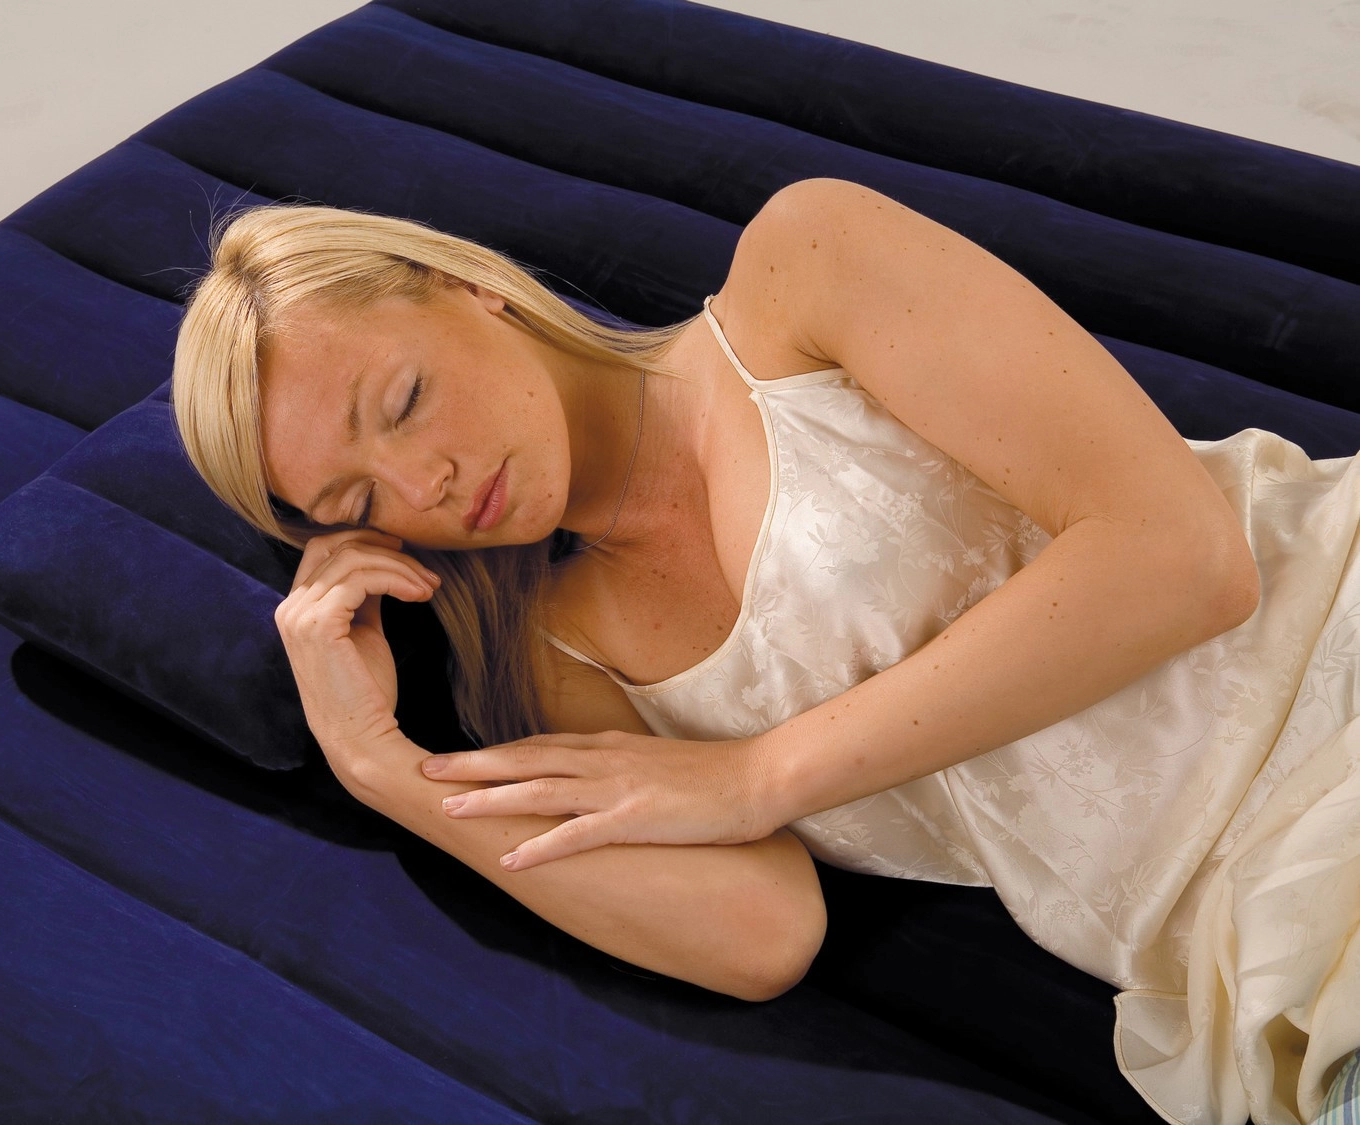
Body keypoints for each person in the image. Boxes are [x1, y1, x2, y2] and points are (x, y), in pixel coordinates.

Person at [171, 177, 1360, 1125]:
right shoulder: (562, 656)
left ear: (466, 289)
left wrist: (759, 774)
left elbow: (1182, 558)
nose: (421, 482)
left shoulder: (804, 267)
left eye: (403, 401)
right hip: (1263, 943)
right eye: (357, 501)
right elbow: (758, 934)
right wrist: (374, 760)